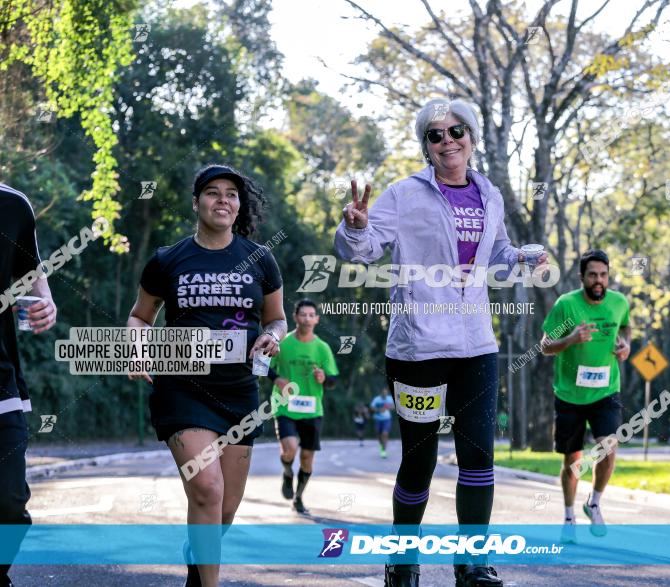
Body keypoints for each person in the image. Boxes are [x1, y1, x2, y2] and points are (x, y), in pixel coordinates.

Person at [335, 98, 546, 587]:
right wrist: (355, 225)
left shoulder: (489, 194)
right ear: (426, 146)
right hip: (418, 347)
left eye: (456, 131)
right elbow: (361, 252)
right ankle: (402, 560)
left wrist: (517, 257)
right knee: (420, 457)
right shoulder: (404, 194)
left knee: (478, 454)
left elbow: (492, 260)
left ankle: (471, 562)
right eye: (435, 135)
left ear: (471, 138)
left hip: (476, 344)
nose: (447, 140)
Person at [127, 165, 286, 587]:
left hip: (238, 393)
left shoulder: (260, 259)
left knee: (226, 510)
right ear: (196, 202)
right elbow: (140, 317)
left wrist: (272, 338)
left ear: (239, 206)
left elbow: (277, 320)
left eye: (231, 194)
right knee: (208, 490)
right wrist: (137, 348)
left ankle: (196, 561)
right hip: (182, 387)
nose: (222, 200)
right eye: (212, 193)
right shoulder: (168, 260)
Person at [540, 249, 631, 538]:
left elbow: (626, 327)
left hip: (606, 390)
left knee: (608, 447)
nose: (599, 280)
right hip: (569, 395)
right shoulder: (566, 305)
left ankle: (594, 502)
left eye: (603, 274)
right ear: (582, 277)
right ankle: (568, 518)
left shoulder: (619, 303)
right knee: (573, 461)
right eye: (592, 275)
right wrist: (571, 338)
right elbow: (545, 345)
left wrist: (625, 346)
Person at [0, 183, 57, 587]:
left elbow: (35, 280)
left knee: (10, 503)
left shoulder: (13, 205)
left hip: (1, 382)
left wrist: (46, 304)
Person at [267, 299, 339, 515]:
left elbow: (333, 381)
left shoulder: (322, 348)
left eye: (311, 315)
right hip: (285, 406)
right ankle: (287, 472)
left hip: (312, 409)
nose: (307, 318)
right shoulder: (284, 344)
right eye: (303, 314)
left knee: (307, 459)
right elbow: (266, 367)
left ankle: (298, 498)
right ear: (295, 317)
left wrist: (323, 377)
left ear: (316, 319)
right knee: (289, 449)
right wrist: (278, 379)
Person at [370, 387, 394, 458]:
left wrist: (388, 407)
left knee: (385, 434)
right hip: (378, 419)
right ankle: (381, 446)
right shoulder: (376, 399)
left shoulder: (390, 399)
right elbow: (372, 408)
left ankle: (384, 451)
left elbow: (394, 406)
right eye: (383, 393)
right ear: (381, 393)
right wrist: (379, 410)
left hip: (387, 419)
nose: (385, 394)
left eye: (386, 393)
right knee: (379, 435)